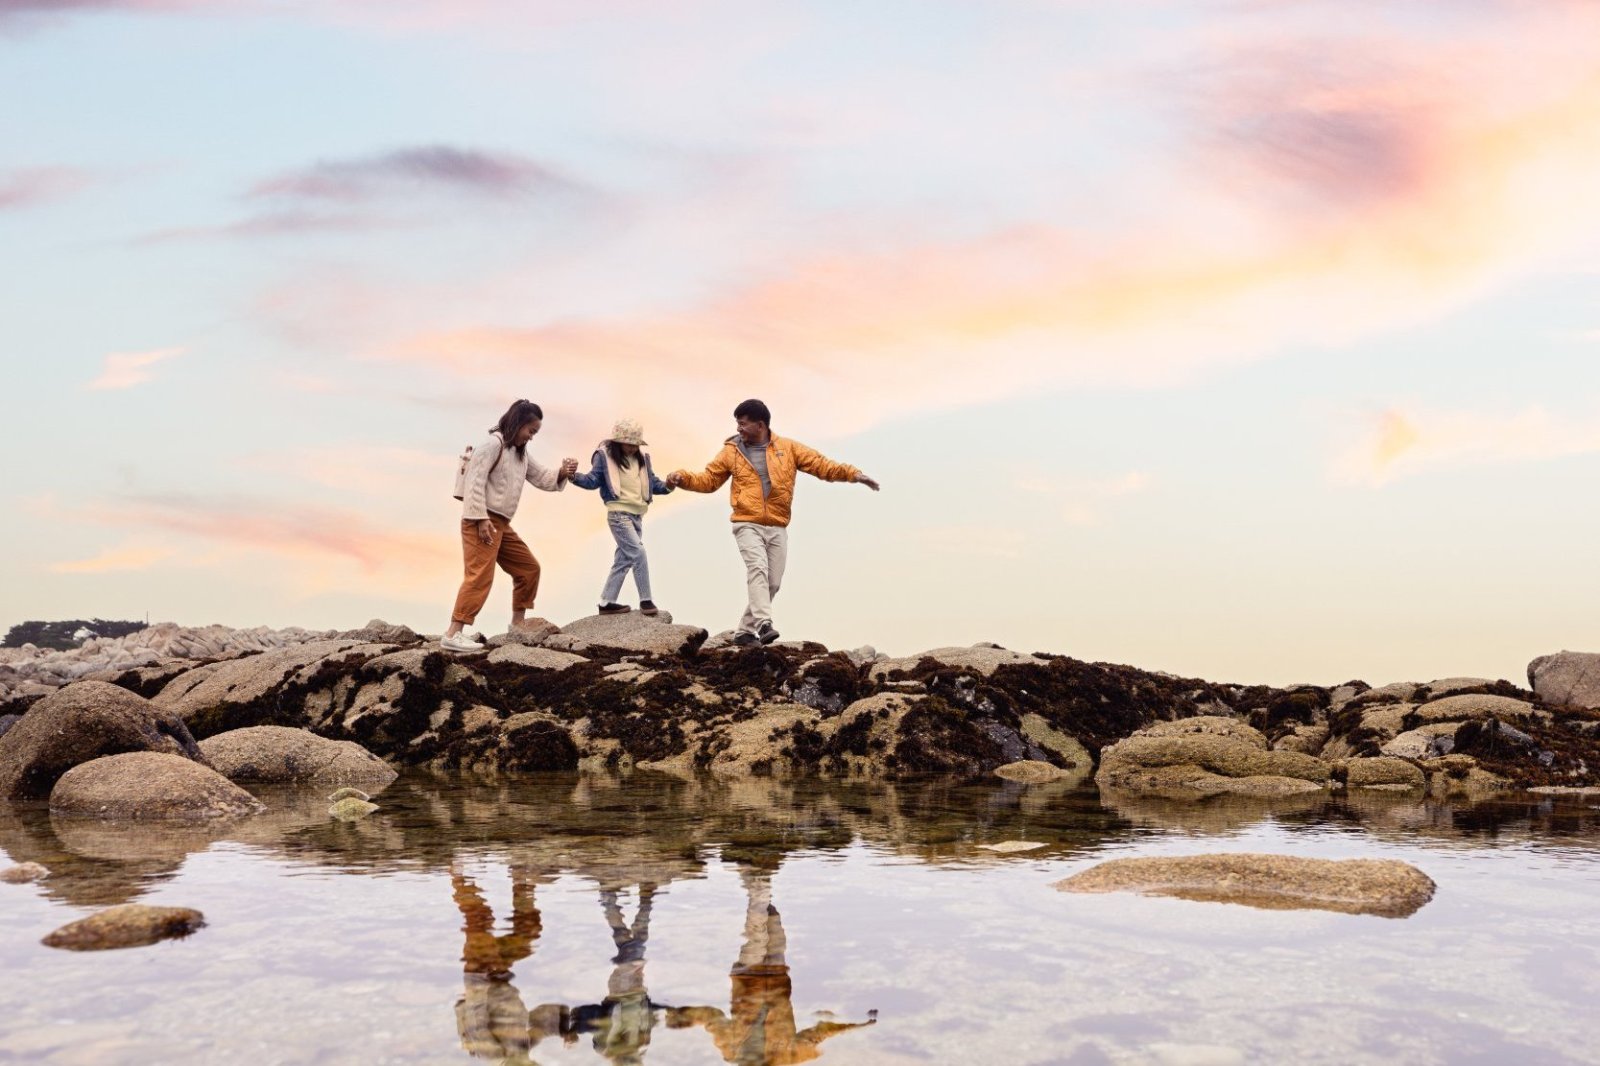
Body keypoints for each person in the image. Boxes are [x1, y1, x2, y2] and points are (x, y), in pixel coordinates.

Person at [667, 399, 878, 646]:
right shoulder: (731, 452)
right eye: (737, 423)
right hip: (747, 522)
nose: (739, 429)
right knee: (757, 569)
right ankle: (764, 624)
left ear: (760, 425)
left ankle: (744, 632)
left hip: (778, 524)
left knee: (773, 582)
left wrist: (854, 475)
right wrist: (682, 478)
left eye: (743, 424)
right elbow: (709, 480)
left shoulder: (787, 448)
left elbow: (821, 465)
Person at [442, 399, 577, 653]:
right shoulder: (492, 445)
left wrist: (563, 471)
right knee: (480, 575)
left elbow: (543, 478)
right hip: (481, 520)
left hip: (501, 524)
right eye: (531, 431)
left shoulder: (520, 453)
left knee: (528, 568)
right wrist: (480, 519)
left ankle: (518, 624)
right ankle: (453, 633)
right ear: (518, 424)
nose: (531, 437)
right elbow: (474, 482)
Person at [568, 418, 675, 616]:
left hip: (637, 515)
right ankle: (646, 600)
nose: (633, 448)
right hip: (618, 515)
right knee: (638, 553)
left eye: (636, 444)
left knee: (624, 560)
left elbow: (654, 484)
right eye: (629, 444)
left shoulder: (642, 459)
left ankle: (606, 602)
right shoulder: (604, 457)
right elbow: (592, 481)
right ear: (618, 442)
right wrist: (572, 476)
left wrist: (669, 484)